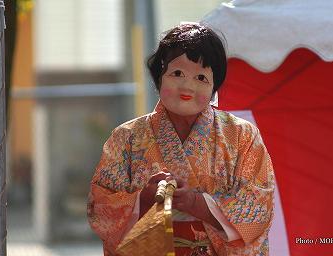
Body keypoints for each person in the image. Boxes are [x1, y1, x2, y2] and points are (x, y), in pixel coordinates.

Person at [87, 23, 275, 256]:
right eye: (177, 73)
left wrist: (197, 205)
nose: (188, 86)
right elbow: (99, 206)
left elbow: (259, 205)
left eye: (201, 77)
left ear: (214, 85)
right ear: (159, 77)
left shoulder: (242, 136)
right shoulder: (126, 137)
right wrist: (141, 201)